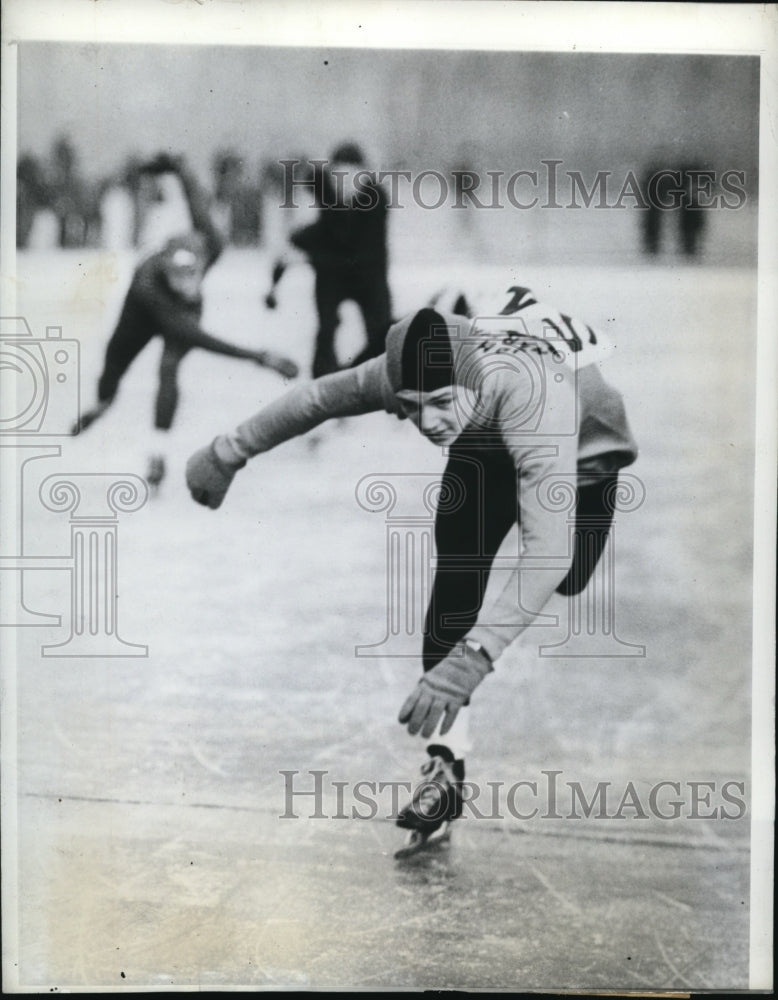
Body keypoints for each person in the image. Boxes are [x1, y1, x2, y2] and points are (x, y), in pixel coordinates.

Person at [185, 291, 638, 855]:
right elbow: (318, 398)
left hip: (582, 455)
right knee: (457, 568)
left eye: (440, 402)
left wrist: (473, 658)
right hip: (486, 438)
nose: (427, 423)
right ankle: (444, 770)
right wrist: (229, 450)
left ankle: (452, 701)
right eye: (410, 405)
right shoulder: (409, 372)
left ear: (469, 379)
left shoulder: (529, 393)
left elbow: (548, 552)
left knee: (566, 577)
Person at [73, 153, 299, 490]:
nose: (190, 287)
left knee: (168, 369)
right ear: (167, 274)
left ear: (202, 262)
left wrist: (181, 171)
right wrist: (261, 357)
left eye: (194, 277)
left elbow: (198, 207)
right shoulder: (149, 284)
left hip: (180, 311)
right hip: (143, 314)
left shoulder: (211, 245)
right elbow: (202, 339)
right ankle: (102, 403)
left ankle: (157, 454)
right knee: (112, 375)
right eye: (182, 282)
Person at [264, 141, 392, 378]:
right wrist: (275, 284)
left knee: (381, 334)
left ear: (365, 177)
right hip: (332, 270)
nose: (343, 183)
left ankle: (360, 376)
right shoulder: (325, 186)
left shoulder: (376, 200)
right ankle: (323, 380)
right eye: (338, 176)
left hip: (367, 272)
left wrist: (308, 258)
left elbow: (362, 257)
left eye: (352, 177)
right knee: (326, 330)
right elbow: (308, 178)